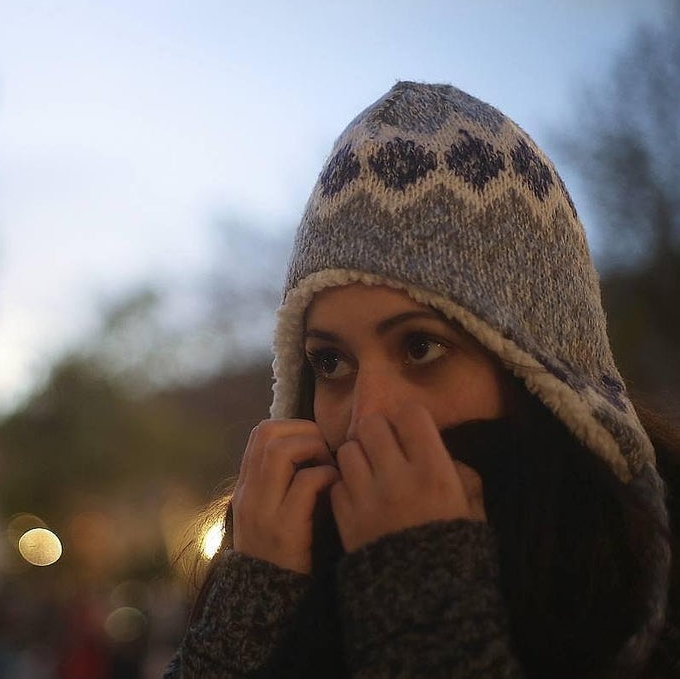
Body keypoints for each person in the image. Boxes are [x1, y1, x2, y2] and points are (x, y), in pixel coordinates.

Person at [164, 82, 680, 677]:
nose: (367, 415)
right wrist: (243, 622)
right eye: (330, 363)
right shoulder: (281, 578)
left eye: (421, 347)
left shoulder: (647, 591)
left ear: (540, 368)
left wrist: (424, 612)